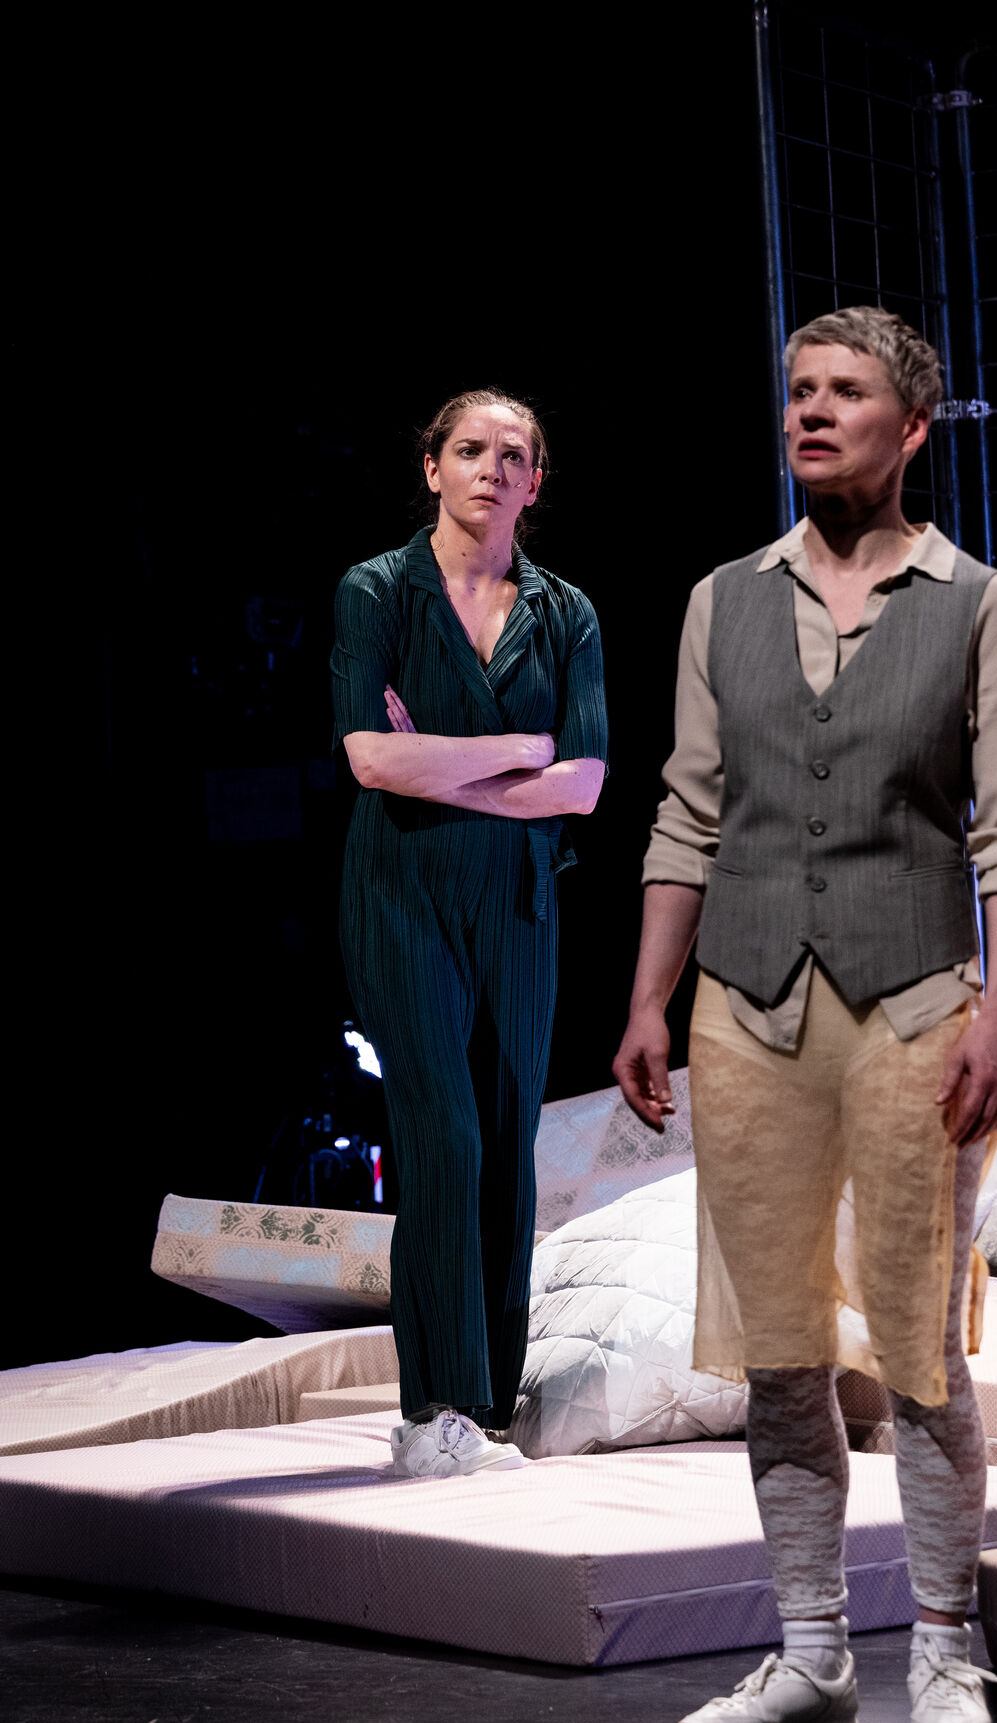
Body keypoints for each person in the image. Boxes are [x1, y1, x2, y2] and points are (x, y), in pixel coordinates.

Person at [613, 308, 997, 1723]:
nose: (809, 411)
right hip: (746, 1007)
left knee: (917, 1348)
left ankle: (942, 1650)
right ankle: (809, 1652)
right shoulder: (722, 599)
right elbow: (687, 814)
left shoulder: (973, 601)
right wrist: (647, 1002)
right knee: (781, 1351)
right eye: (797, 389)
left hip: (914, 1007)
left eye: (843, 392)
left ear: (909, 427)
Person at [332, 389, 608, 1481]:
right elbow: (370, 759)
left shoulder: (565, 612)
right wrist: (515, 751)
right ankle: (430, 1409)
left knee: (503, 1142)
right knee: (442, 1134)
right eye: (470, 449)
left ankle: (486, 1409)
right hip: (402, 893)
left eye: (514, 455)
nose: (492, 467)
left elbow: (582, 784)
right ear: (433, 467)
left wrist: (447, 763)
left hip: (521, 905)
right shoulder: (376, 591)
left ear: (535, 483)